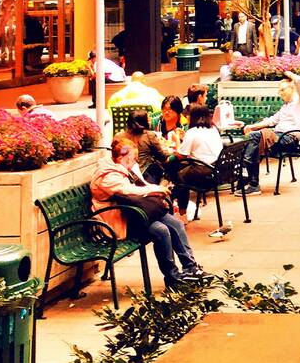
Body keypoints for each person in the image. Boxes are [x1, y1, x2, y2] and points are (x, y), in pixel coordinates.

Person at [91, 137, 206, 289]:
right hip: (118, 220)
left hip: (134, 213)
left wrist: (154, 192)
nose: (135, 162)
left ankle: (190, 267)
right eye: (133, 159)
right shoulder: (108, 176)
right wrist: (155, 189)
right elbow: (128, 191)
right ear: (122, 157)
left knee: (175, 223)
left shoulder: (122, 167)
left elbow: (141, 187)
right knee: (161, 230)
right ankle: (172, 277)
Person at [240, 71, 300, 193]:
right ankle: (252, 181)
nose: (280, 93)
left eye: (282, 89)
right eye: (279, 90)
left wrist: (287, 73)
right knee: (254, 141)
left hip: (289, 139)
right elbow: (272, 120)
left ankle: (247, 174)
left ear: (292, 88)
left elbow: (299, 80)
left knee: (255, 138)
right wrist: (252, 126)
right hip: (277, 137)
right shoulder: (285, 106)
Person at [170, 106, 232, 238]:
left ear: (193, 117)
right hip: (219, 170)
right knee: (181, 174)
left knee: (177, 177)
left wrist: (176, 140)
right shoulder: (213, 129)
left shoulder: (193, 132)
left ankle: (180, 213)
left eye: (188, 116)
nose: (186, 118)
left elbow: (182, 154)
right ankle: (182, 212)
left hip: (204, 172)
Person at [125, 114, 174, 186]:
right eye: (148, 119)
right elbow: (162, 157)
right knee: (171, 170)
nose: (150, 121)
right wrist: (175, 154)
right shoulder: (148, 136)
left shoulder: (121, 135)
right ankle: (161, 191)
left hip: (125, 174)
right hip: (143, 175)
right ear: (143, 122)